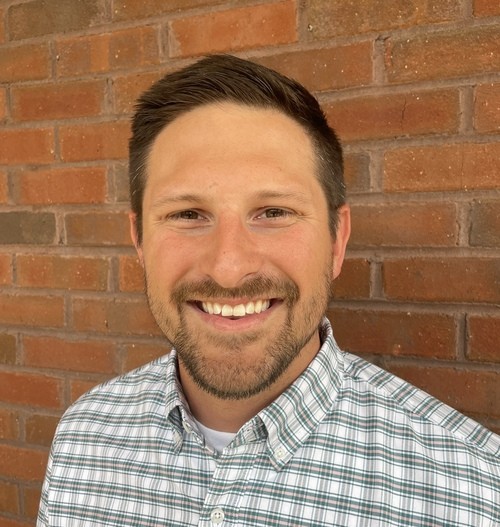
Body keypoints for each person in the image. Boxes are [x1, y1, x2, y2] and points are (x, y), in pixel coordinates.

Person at [38, 54, 499, 526]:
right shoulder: (83, 439)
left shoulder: (475, 493)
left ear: (337, 240)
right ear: (139, 240)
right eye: (187, 214)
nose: (229, 268)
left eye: (274, 212)